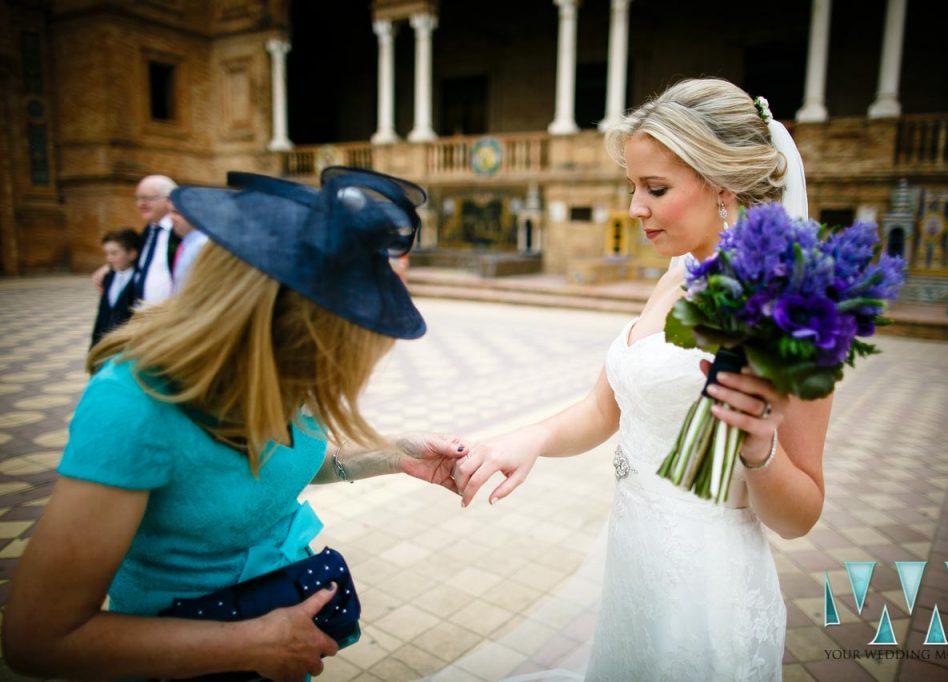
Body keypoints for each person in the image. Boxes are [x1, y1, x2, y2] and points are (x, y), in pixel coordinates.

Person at [3, 170, 468, 680]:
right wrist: (252, 643)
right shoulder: (133, 404)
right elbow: (40, 637)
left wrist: (397, 453)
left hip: (275, 638)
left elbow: (272, 467)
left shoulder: (283, 375)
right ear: (288, 327)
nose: (340, 372)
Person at [453, 78, 832, 681]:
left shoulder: (791, 309)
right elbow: (606, 410)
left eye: (655, 189)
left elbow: (800, 515)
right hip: (635, 560)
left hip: (704, 593)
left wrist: (758, 448)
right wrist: (525, 441)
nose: (634, 207)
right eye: (633, 186)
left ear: (723, 187)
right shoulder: (677, 276)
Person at [92, 175, 181, 306]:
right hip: (144, 314)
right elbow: (135, 256)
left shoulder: (180, 231)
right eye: (138, 198)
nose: (141, 204)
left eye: (147, 198)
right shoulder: (149, 231)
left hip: (172, 313)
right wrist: (109, 267)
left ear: (168, 200)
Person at [90, 227, 141, 347]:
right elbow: (101, 316)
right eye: (107, 253)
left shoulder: (138, 280)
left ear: (132, 254)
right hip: (106, 345)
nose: (109, 258)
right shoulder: (108, 277)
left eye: (114, 253)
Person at [167, 197, 208, 293]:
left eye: (176, 212)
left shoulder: (202, 245)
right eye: (170, 212)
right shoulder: (186, 242)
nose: (171, 217)